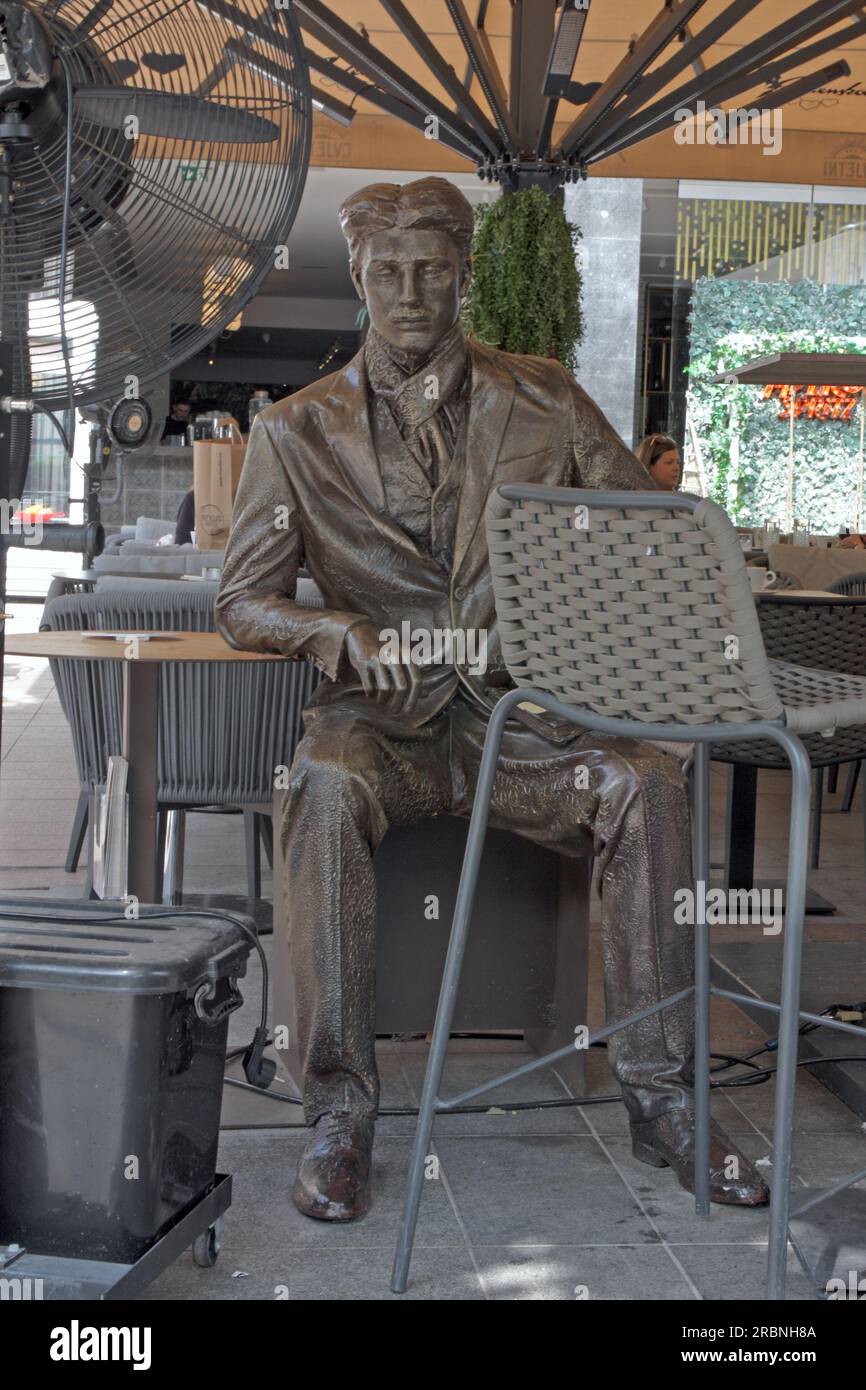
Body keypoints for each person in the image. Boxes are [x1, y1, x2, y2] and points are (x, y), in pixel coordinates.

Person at [216, 178, 768, 1222]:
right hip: (381, 724)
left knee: (643, 783)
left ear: (465, 274)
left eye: (431, 270)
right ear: (361, 280)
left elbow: (644, 534)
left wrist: (622, 586)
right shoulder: (294, 431)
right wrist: (324, 629)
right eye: (388, 273)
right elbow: (242, 599)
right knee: (322, 789)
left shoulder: (545, 396)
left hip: (523, 722)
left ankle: (663, 1103)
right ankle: (337, 1111)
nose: (410, 292)